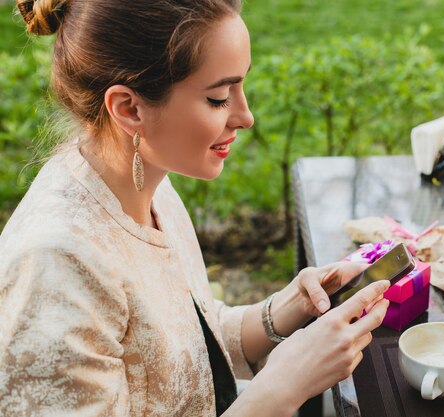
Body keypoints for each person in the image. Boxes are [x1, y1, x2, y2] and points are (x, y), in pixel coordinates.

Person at [0, 0, 391, 416]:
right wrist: (280, 391)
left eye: (240, 87)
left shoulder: (146, 181)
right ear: (129, 109)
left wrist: (284, 311)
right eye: (219, 97)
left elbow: (180, 348)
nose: (246, 116)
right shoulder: (56, 266)